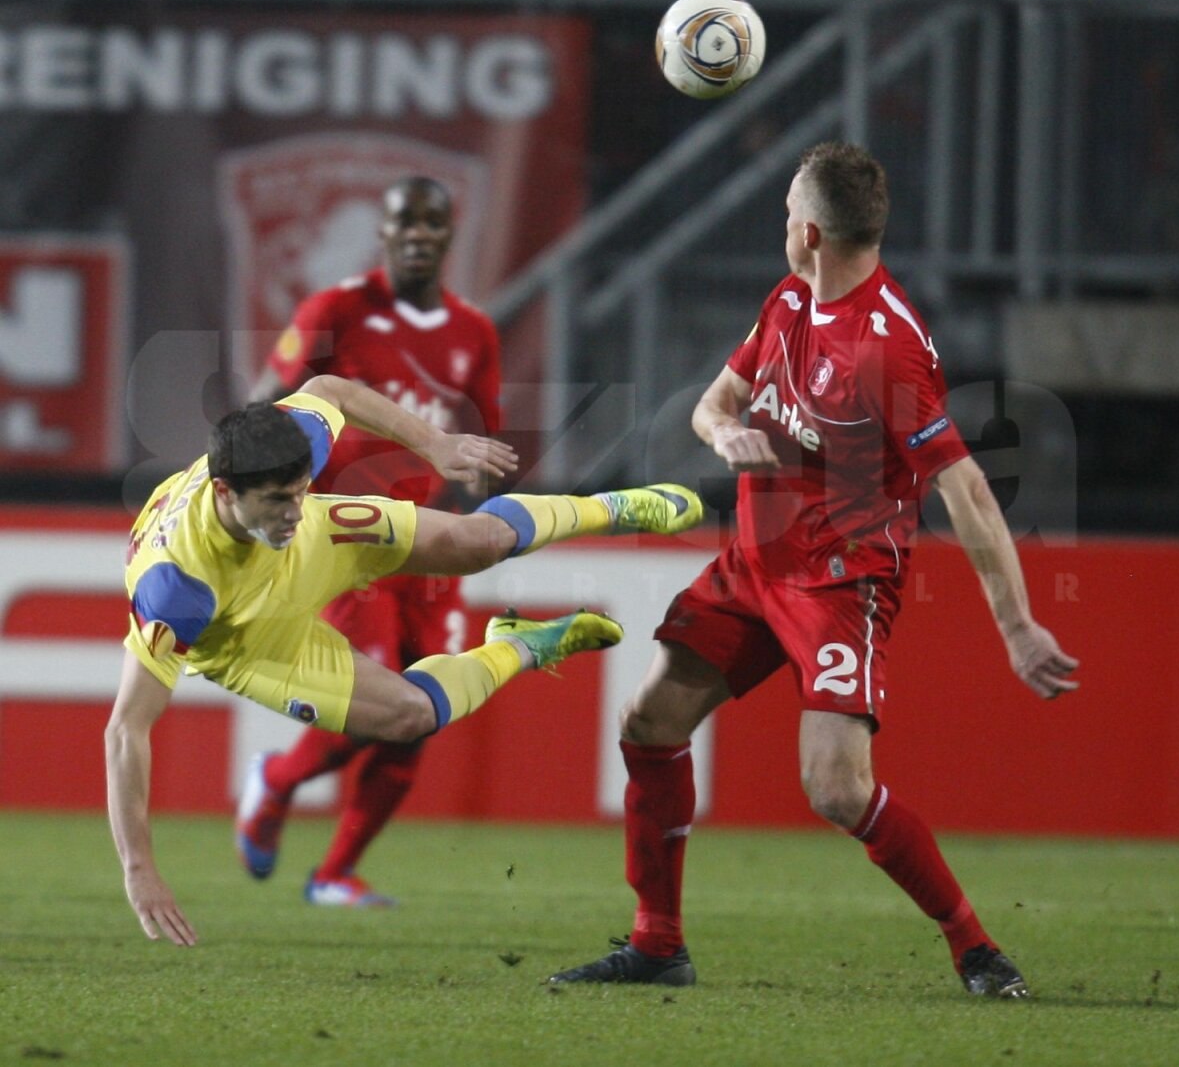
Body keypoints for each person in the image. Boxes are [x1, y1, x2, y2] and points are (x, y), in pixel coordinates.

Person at [548, 142, 1078, 998]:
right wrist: (727, 437)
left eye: (785, 210)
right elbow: (712, 405)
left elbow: (967, 490)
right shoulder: (792, 298)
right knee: (649, 721)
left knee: (835, 788)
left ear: (806, 231)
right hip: (752, 565)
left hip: (840, 580)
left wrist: (1016, 624)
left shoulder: (888, 347)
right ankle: (657, 947)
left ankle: (975, 947)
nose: (780, 224)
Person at [106, 372, 704, 947]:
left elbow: (328, 391)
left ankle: (617, 507)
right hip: (247, 636)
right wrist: (139, 869)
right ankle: (522, 644)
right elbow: (127, 730)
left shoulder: (285, 482)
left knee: (479, 542)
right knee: (409, 716)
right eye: (276, 499)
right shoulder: (177, 590)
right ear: (224, 492)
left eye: (299, 489)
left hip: (310, 548)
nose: (291, 507)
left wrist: (435, 445)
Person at [234, 175, 504, 908]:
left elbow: (482, 432)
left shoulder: (473, 331)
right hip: (347, 540)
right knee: (369, 705)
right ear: (381, 234)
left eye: (432, 221)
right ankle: (278, 781)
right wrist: (271, 502)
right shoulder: (337, 310)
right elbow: (264, 403)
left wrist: (476, 517)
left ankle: (333, 874)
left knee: (421, 715)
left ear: (450, 237)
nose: (418, 233)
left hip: (430, 545)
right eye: (403, 221)